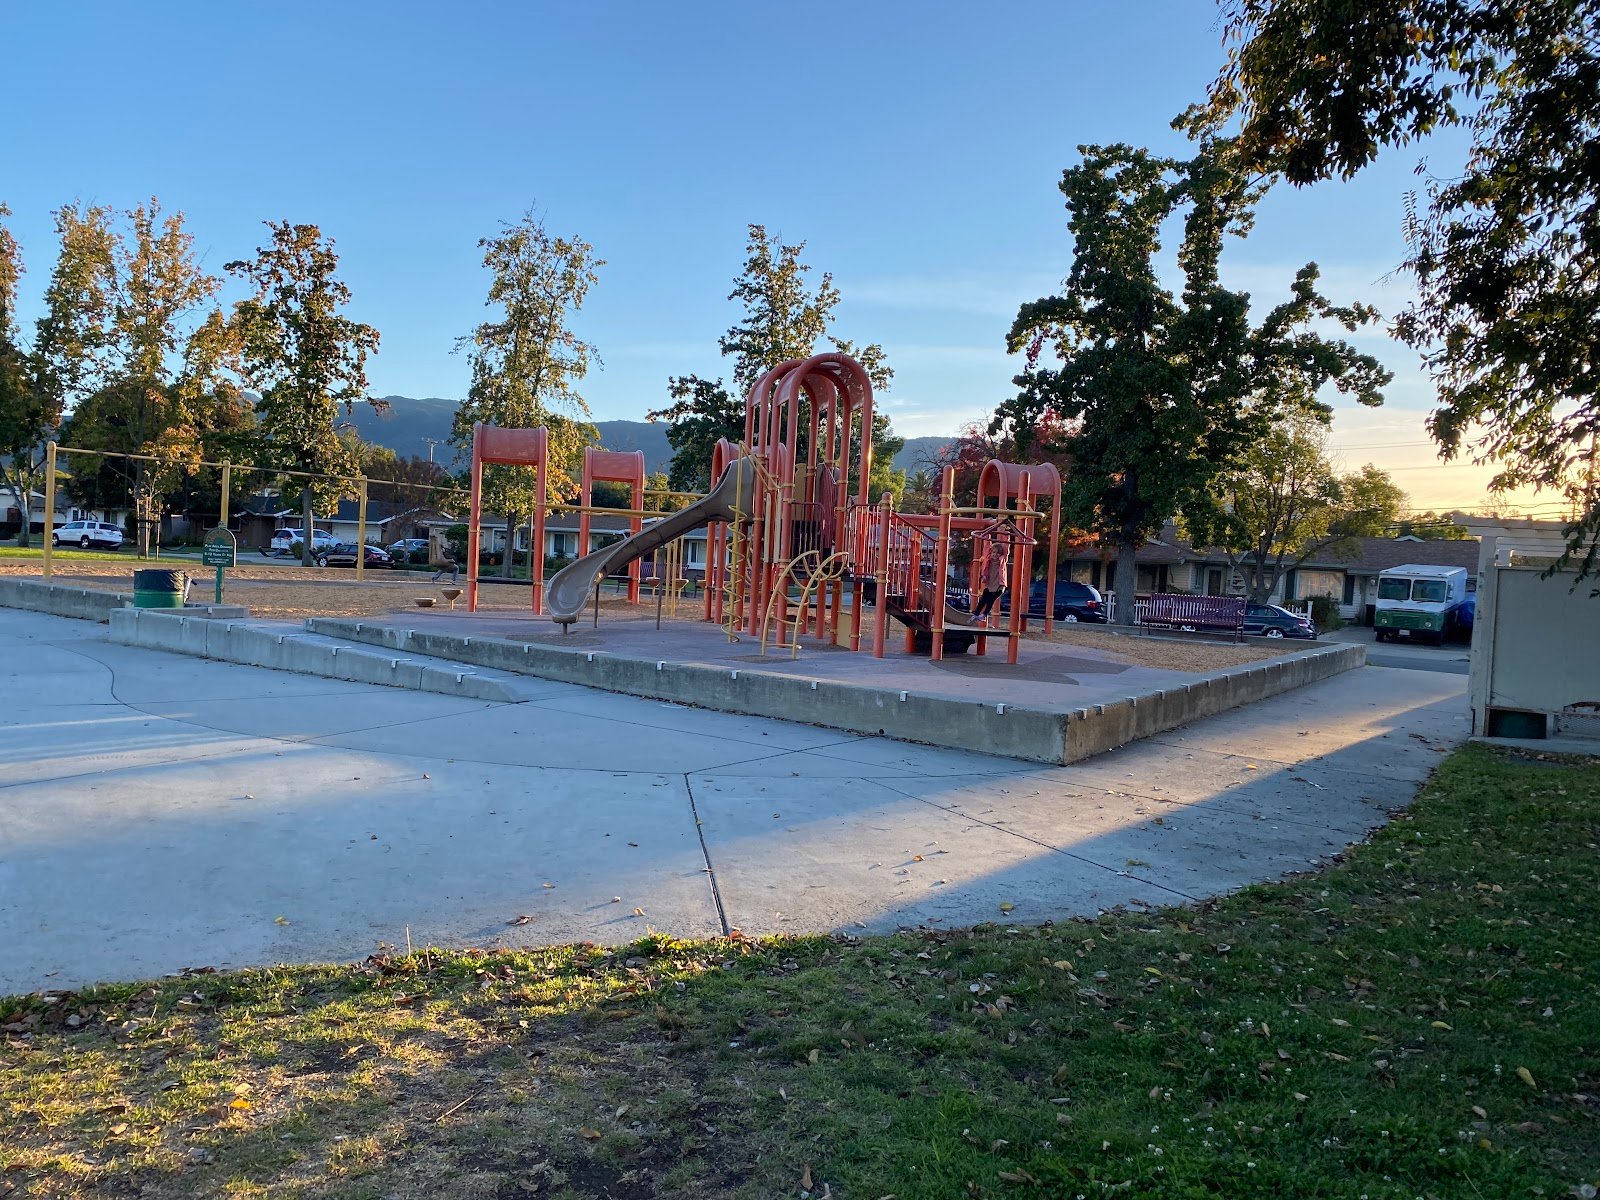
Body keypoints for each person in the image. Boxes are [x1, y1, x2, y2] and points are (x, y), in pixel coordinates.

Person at [972, 540, 1009, 621]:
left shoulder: (1002, 560)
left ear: (1001, 554)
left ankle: (984, 614)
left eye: (998, 553)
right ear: (991, 552)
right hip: (990, 584)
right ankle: (976, 613)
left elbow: (1006, 548)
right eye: (994, 552)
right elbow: (986, 547)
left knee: (990, 600)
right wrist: (986, 536)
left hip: (999, 585)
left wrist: (1005, 536)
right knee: (983, 599)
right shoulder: (988, 559)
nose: (995, 554)